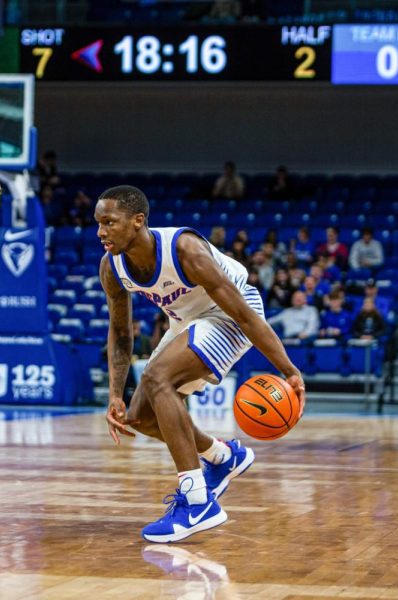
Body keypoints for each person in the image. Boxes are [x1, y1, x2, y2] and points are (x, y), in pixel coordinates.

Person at [96, 185, 304, 543]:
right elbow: (120, 331)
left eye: (109, 222)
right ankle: (222, 456)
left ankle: (197, 501)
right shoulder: (112, 267)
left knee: (158, 376)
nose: (101, 232)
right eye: (98, 223)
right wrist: (115, 392)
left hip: (232, 315)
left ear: (137, 221)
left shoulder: (185, 250)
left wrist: (288, 370)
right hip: (188, 321)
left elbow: (243, 313)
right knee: (140, 416)